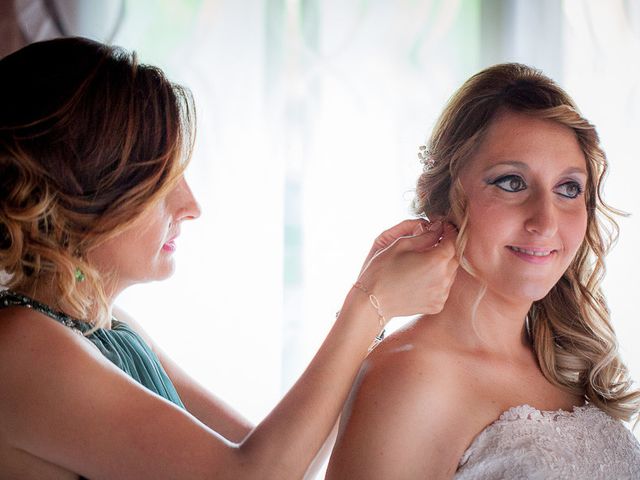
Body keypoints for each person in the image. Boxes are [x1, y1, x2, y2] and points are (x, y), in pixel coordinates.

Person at [0, 37, 459, 479]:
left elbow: (282, 458)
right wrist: (368, 304)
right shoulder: (20, 347)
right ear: (82, 191)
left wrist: (371, 305)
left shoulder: (106, 326)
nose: (190, 206)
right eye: (162, 184)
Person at [326, 63, 640, 479]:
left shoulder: (567, 364)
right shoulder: (410, 376)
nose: (545, 221)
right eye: (512, 182)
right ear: (436, 196)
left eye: (569, 188)